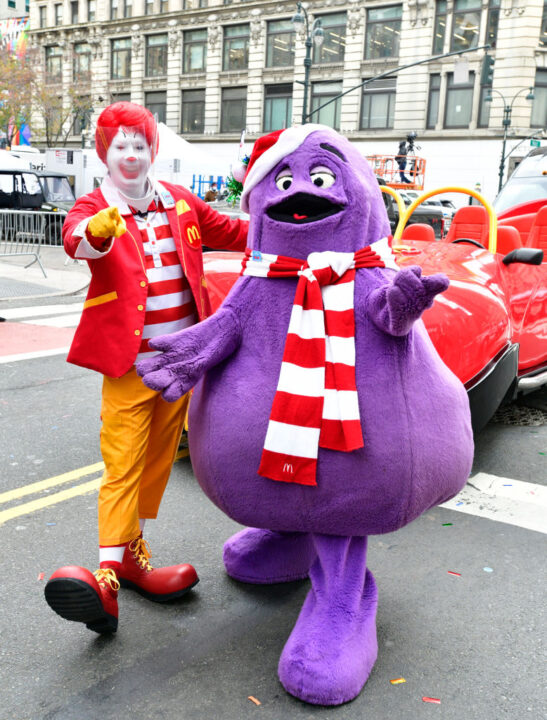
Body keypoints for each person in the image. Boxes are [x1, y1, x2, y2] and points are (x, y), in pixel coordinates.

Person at [44, 102, 248, 635]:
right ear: (104, 155)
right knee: (122, 463)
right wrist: (98, 231)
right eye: (119, 147)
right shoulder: (94, 205)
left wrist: (290, 218)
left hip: (180, 364)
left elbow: (234, 231)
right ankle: (108, 576)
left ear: (152, 149)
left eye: (139, 145)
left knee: (157, 461)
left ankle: (132, 556)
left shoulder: (179, 202)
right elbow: (76, 242)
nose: (130, 155)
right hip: (129, 366)